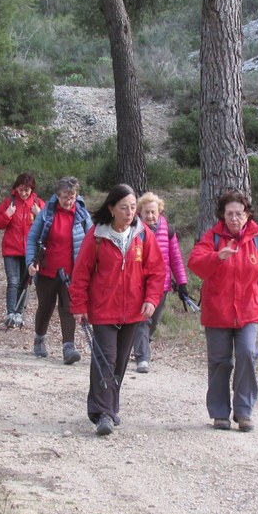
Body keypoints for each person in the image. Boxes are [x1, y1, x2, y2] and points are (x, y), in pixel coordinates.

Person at [70, 184, 165, 436]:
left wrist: (151, 299)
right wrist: (79, 306)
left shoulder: (143, 234)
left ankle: (110, 408)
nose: (130, 212)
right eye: (124, 207)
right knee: (105, 360)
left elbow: (156, 271)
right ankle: (103, 413)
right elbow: (81, 273)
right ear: (111, 209)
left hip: (134, 311)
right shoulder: (97, 236)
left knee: (120, 363)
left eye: (133, 207)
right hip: (103, 310)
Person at [187, 190, 258, 433]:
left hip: (249, 311)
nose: (235, 218)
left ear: (247, 214)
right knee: (220, 362)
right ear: (222, 215)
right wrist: (218, 257)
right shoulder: (213, 237)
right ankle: (219, 414)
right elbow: (195, 263)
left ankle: (244, 411)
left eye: (239, 213)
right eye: (230, 214)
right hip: (217, 312)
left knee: (247, 354)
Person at [25, 177, 92, 363]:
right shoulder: (46, 213)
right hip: (47, 270)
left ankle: (68, 347)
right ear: (57, 195)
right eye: (64, 197)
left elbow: (93, 241)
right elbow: (32, 239)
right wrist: (30, 262)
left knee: (68, 307)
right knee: (45, 307)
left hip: (72, 272)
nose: (68, 201)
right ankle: (39, 338)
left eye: (72, 197)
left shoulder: (82, 215)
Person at [132, 192, 191, 373]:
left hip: (162, 285)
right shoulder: (133, 229)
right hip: (139, 284)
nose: (150, 216)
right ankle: (142, 357)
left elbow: (176, 259)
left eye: (153, 212)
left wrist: (182, 284)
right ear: (139, 213)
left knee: (153, 321)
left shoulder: (168, 230)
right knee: (143, 319)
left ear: (159, 212)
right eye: (146, 212)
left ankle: (141, 344)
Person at [0, 172, 44, 329]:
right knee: (13, 281)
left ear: (32, 189)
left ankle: (19, 313)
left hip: (30, 251)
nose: (24, 193)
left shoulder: (38, 203)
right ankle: (10, 313)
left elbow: (50, 225)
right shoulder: (9, 202)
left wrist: (39, 215)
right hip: (11, 250)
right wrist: (7, 215)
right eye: (21, 189)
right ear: (16, 188)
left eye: (27, 190)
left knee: (24, 282)